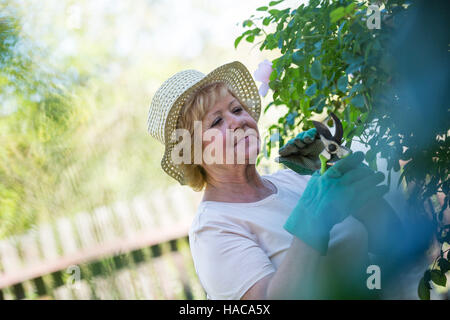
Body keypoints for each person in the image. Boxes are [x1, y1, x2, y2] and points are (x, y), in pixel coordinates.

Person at [147, 61, 395, 299]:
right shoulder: (213, 228)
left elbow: (393, 240)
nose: (237, 122)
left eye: (236, 109)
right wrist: (312, 221)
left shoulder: (298, 180)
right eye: (217, 121)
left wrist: (337, 164)